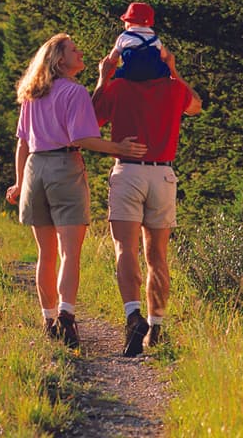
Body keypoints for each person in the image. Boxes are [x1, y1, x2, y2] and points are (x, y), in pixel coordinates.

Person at [5, 33, 147, 348]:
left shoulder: (32, 94)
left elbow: (23, 143)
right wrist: (118, 146)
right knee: (70, 251)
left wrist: (18, 182)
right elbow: (83, 138)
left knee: (46, 253)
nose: (80, 52)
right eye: (73, 50)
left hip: (34, 170)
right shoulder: (74, 92)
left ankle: (48, 319)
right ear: (59, 60)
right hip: (64, 169)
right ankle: (67, 318)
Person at [93, 48, 202, 356]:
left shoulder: (118, 87)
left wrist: (103, 76)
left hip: (127, 171)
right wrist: (174, 71)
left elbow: (94, 117)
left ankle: (132, 316)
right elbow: (196, 107)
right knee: (157, 255)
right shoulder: (173, 88)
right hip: (163, 175)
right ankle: (156, 327)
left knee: (125, 249)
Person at [106, 2, 171, 81]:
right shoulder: (154, 38)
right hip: (154, 73)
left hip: (131, 72)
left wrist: (110, 63)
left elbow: (114, 56)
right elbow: (163, 55)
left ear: (129, 23)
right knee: (165, 71)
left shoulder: (124, 36)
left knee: (119, 74)